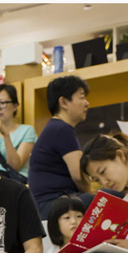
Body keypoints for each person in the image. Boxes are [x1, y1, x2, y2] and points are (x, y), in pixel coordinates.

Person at [28, 76, 93, 219]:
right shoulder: (62, 129)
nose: (87, 103)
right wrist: (92, 194)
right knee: (116, 196)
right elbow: (78, 175)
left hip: (48, 205)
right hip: (54, 204)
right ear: (63, 102)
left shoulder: (55, 127)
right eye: (82, 97)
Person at [0, 84, 37, 182]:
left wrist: (5, 134)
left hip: (11, 180)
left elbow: (15, 166)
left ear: (15, 106)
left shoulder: (27, 131)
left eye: (2, 103)